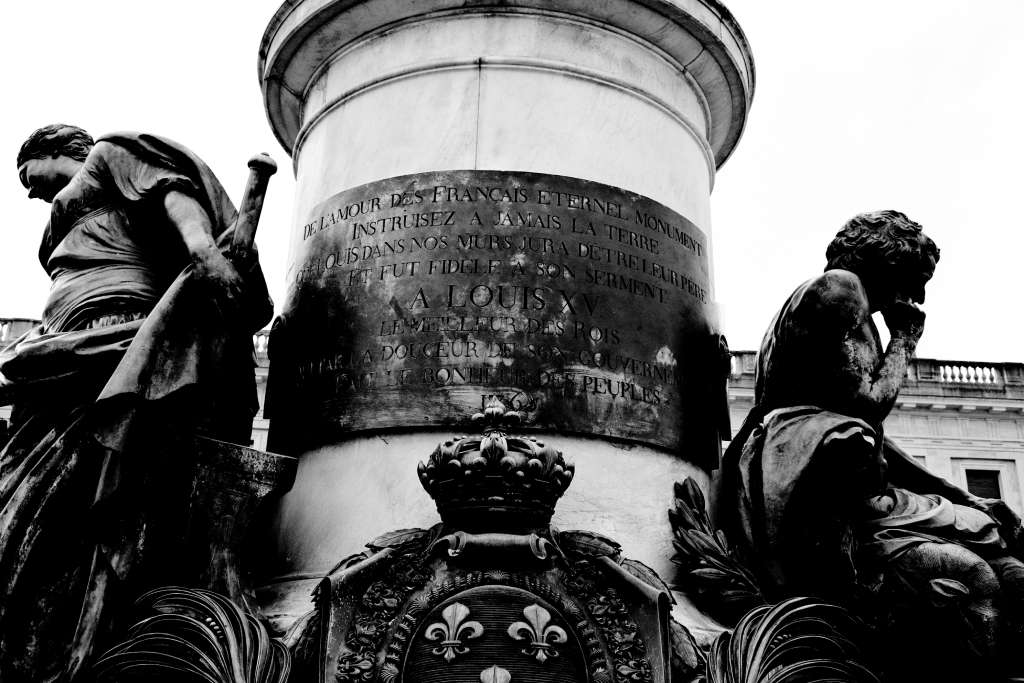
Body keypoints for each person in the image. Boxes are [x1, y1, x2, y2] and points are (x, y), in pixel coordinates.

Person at [0, 124, 273, 682]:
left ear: (58, 150)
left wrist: (203, 254)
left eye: (30, 174)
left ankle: (87, 636)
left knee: (86, 496)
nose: (28, 192)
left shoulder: (109, 157)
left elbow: (171, 193)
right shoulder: (56, 224)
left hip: (119, 335)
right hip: (63, 349)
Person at [716, 210, 1024, 669]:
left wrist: (957, 494)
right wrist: (904, 339)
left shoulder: (842, 299)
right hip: (810, 475)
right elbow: (866, 405)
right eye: (915, 278)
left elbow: (863, 423)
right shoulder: (840, 289)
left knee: (997, 539)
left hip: (829, 466)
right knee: (982, 564)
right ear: (888, 261)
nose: (916, 295)